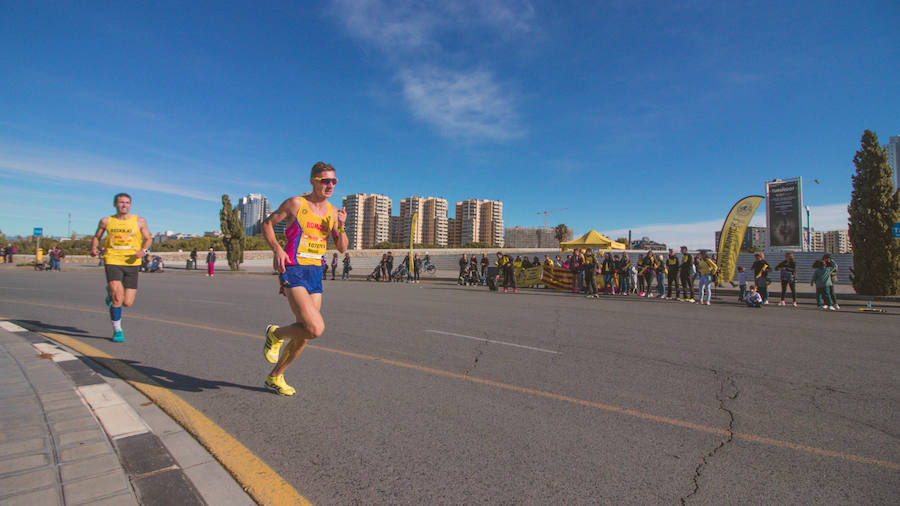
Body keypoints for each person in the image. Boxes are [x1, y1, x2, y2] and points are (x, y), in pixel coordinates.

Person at [260, 161, 348, 396]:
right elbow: (267, 224)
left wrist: (341, 226)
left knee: (306, 333)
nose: (330, 185)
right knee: (315, 328)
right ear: (313, 181)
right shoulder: (296, 203)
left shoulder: (332, 211)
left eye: (334, 181)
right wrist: (278, 249)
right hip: (294, 269)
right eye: (325, 181)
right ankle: (275, 334)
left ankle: (275, 377)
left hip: (315, 273)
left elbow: (342, 248)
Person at [90, 193, 152, 342]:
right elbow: (97, 237)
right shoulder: (106, 221)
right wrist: (93, 248)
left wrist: (143, 251)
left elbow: (149, 238)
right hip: (113, 259)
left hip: (132, 262)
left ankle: (110, 293)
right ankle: (117, 330)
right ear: (115, 204)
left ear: (130, 205)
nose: (124, 205)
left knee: (127, 302)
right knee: (118, 297)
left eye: (127, 202)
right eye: (121, 202)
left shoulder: (139, 221)